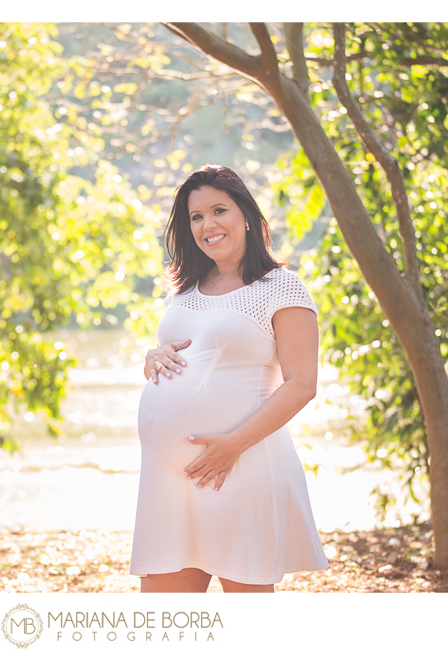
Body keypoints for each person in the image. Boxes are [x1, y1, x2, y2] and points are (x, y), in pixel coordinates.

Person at [129, 164, 329, 593]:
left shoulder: (282, 287)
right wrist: (153, 358)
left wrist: (230, 447)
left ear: (246, 216)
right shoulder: (187, 289)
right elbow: (182, 358)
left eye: (218, 210)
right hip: (168, 479)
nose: (207, 225)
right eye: (195, 217)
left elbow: (301, 384)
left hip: (240, 466)